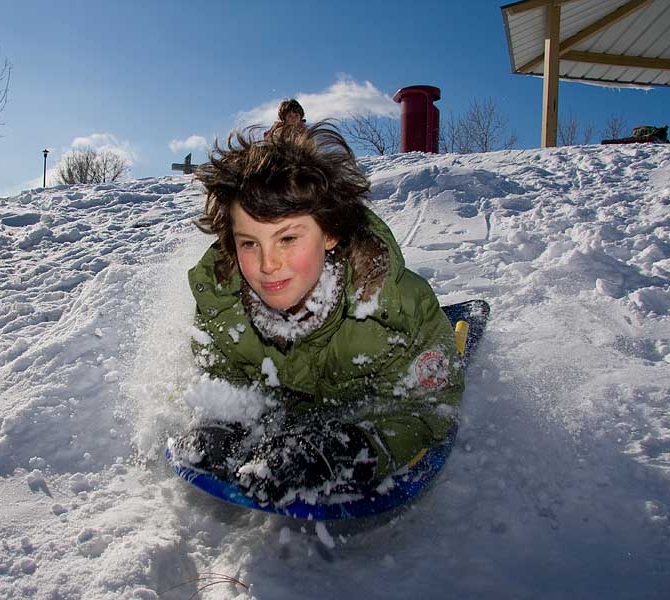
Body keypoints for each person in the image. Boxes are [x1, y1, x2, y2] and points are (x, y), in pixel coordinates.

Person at [174, 122, 463, 506]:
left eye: (288, 238)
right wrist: (224, 421)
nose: (267, 264)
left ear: (329, 233)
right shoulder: (221, 305)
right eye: (249, 243)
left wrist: (347, 449)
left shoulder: (392, 311)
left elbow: (425, 409)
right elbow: (222, 374)